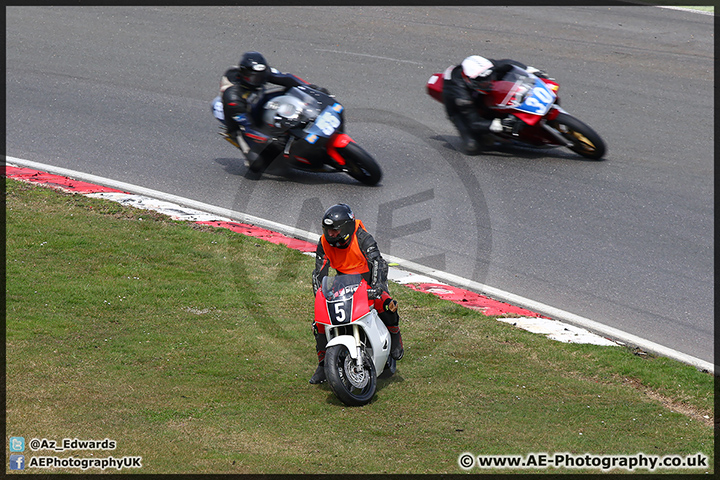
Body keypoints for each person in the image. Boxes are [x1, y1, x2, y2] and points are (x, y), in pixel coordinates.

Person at [309, 204, 403, 384]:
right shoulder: (323, 243)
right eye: (328, 231)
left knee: (386, 304)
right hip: (343, 280)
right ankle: (323, 364)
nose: (331, 235)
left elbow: (378, 262)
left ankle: (395, 335)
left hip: (368, 280)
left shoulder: (362, 237)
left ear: (345, 228)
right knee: (319, 322)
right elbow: (319, 272)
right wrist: (320, 294)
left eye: (335, 231)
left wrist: (377, 287)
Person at [218, 51, 319, 171]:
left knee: (289, 92)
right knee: (257, 164)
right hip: (242, 123)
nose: (257, 80)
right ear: (243, 75)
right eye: (253, 77)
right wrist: (268, 140)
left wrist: (310, 88)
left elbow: (287, 79)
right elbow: (247, 127)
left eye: (260, 76)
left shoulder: (261, 73)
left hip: (258, 100)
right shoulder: (233, 98)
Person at [442, 55, 551, 154]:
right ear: (469, 80)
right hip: (459, 109)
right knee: (472, 147)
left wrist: (530, 70)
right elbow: (473, 122)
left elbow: (508, 63)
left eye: (489, 78)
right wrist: (497, 125)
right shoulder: (461, 97)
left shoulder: (484, 67)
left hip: (474, 90)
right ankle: (493, 137)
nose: (488, 82)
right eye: (482, 81)